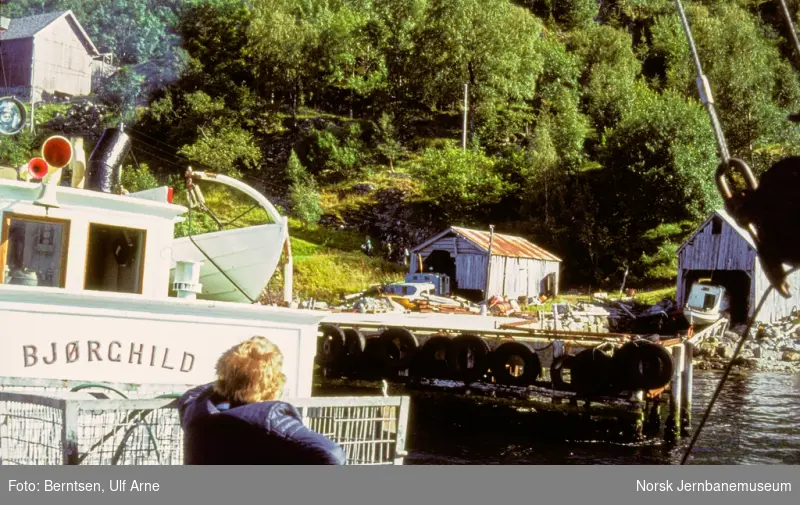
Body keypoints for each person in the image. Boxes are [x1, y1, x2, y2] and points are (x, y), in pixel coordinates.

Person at [178, 336, 346, 465]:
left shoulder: (196, 410)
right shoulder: (269, 418)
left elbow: (195, 392)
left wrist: (232, 381)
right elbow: (332, 454)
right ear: (276, 382)